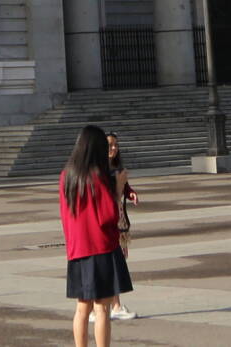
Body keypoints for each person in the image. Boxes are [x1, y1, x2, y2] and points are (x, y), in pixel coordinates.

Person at [58, 124, 131, 347]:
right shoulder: (97, 177)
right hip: (100, 248)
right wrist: (118, 190)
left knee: (82, 308)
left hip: (77, 249)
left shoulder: (66, 176)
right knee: (101, 308)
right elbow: (108, 216)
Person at [105, 131, 141, 322]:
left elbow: (125, 187)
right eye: (110, 145)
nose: (113, 148)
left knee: (117, 263)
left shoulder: (118, 168)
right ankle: (114, 305)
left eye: (116, 145)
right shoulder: (100, 170)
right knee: (113, 264)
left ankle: (114, 305)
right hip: (109, 223)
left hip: (120, 222)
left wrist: (130, 193)